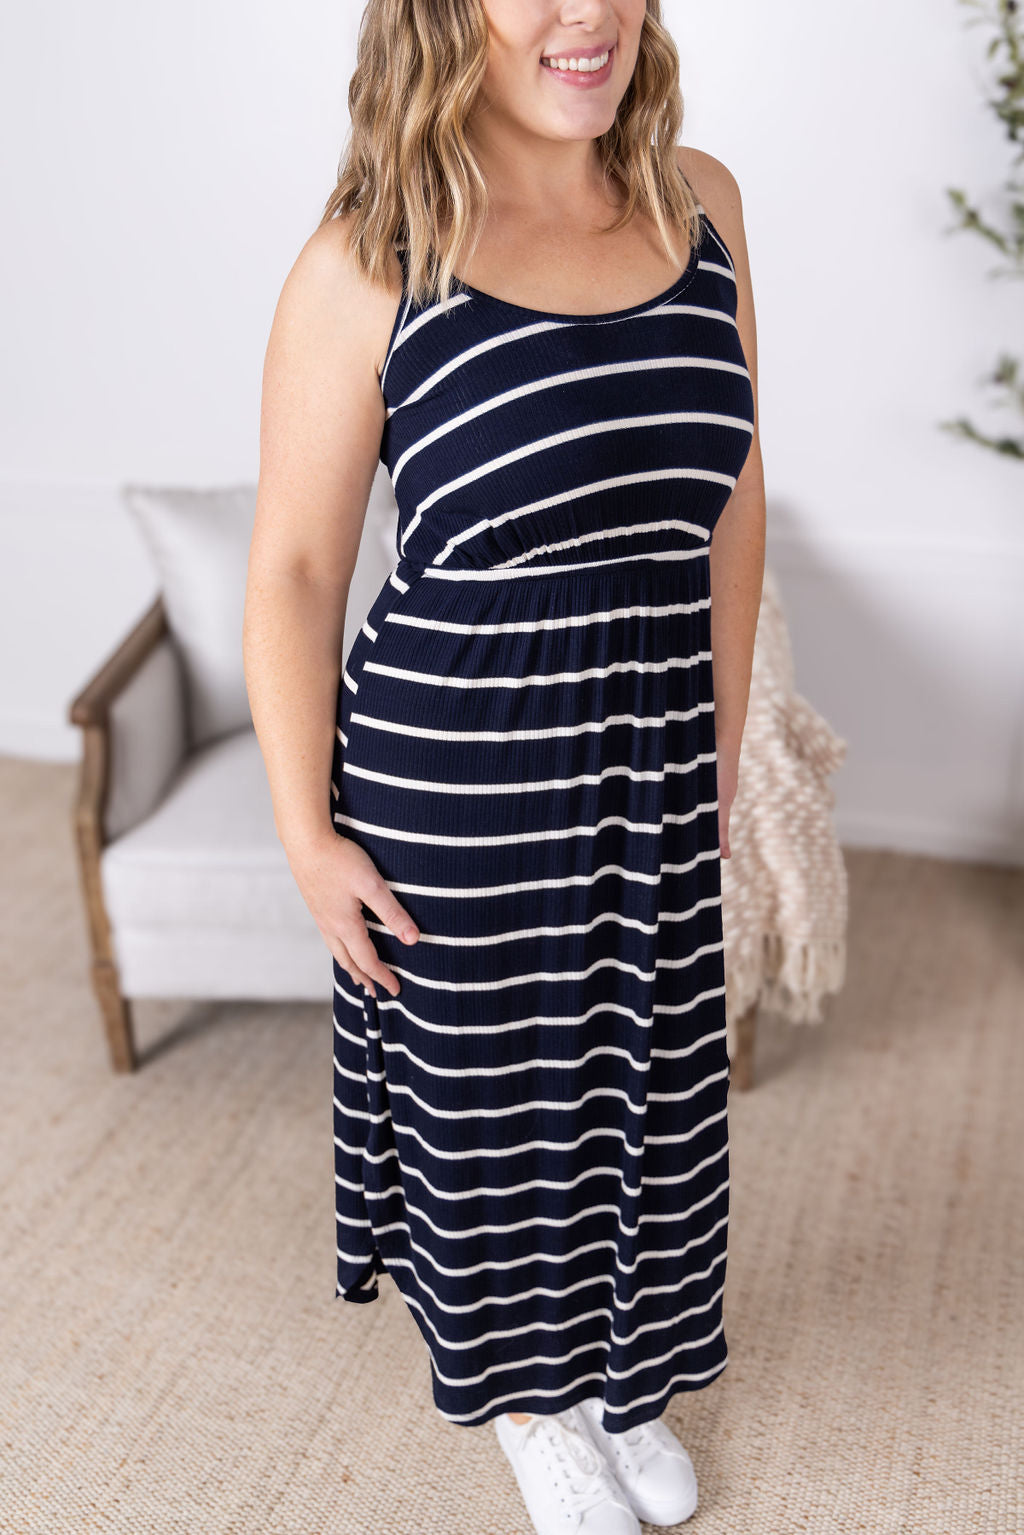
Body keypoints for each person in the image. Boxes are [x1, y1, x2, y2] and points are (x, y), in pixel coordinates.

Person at [243, 1, 765, 1530]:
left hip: (657, 754)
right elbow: (293, 571)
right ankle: (534, 1405)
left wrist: (722, 743)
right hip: (455, 783)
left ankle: (627, 1369)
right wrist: (305, 834)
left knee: (653, 1078)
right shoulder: (369, 260)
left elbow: (735, 499)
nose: (584, 13)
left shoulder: (703, 204)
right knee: (503, 1110)